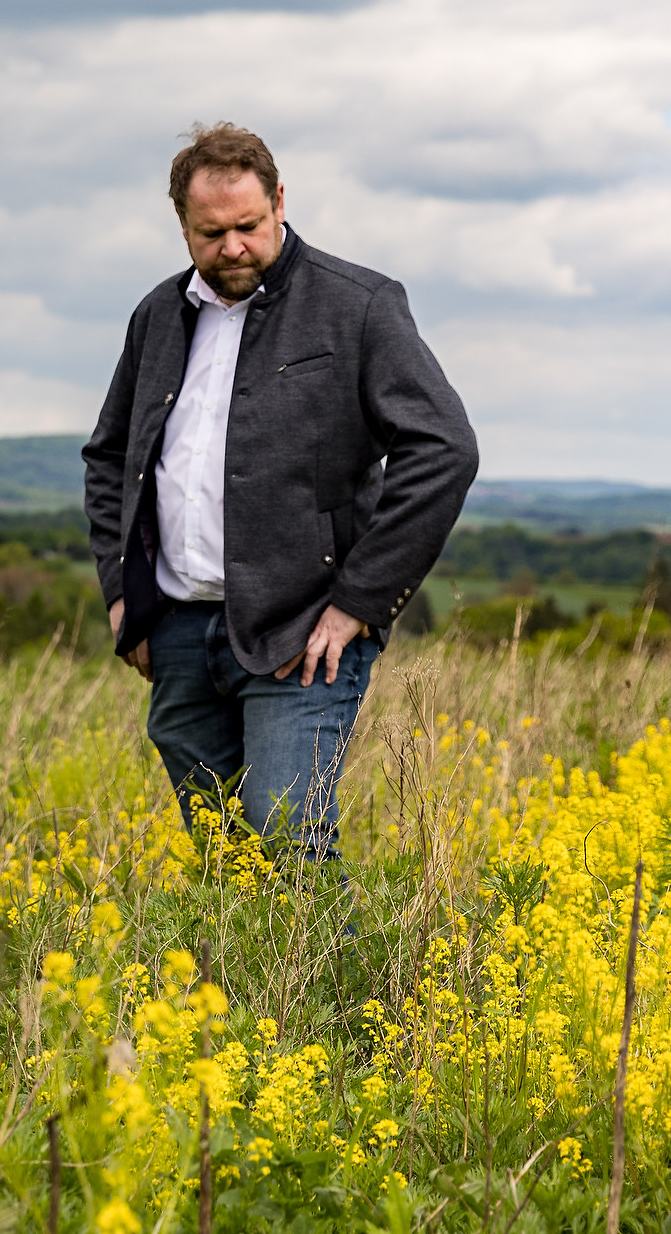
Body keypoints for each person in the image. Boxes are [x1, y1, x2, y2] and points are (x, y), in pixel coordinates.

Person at [83, 125, 477, 858]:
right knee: (222, 854)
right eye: (211, 234)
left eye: (249, 226)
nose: (233, 247)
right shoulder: (157, 316)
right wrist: (122, 595)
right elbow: (111, 459)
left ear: (280, 203)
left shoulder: (358, 304)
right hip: (175, 632)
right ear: (182, 224)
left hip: (302, 633)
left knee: (285, 835)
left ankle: (353, 946)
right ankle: (254, 949)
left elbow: (444, 448)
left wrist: (360, 602)